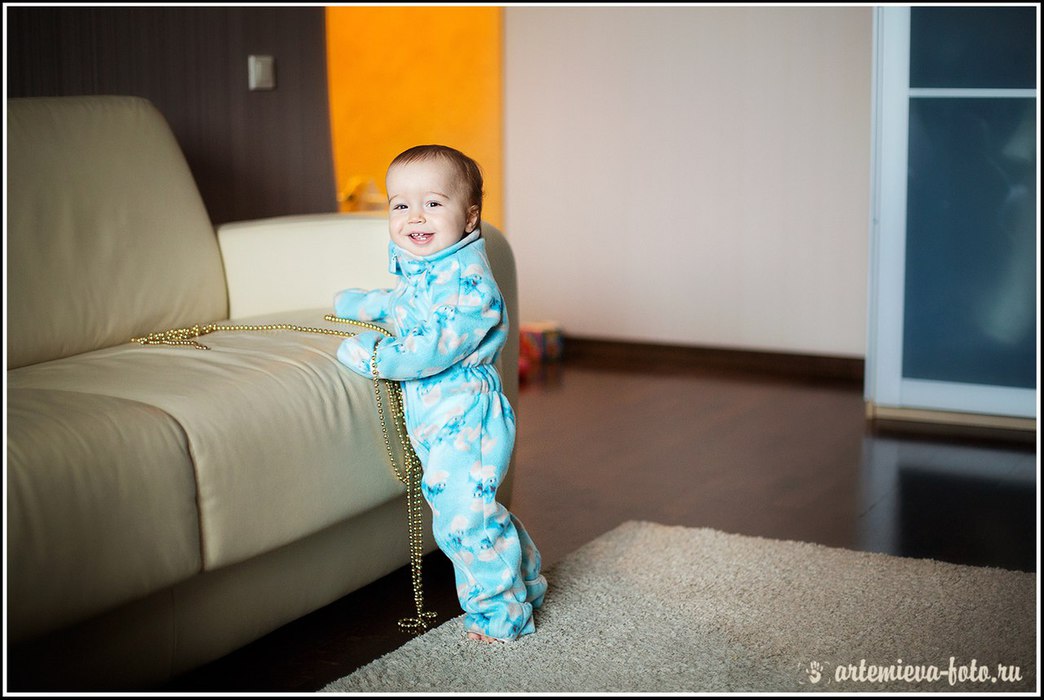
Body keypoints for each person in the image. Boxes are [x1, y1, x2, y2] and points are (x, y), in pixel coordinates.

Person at [332, 145, 547, 643]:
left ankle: (500, 615)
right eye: (400, 205)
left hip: (467, 414)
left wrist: (373, 356)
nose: (415, 216)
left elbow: (431, 346)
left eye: (432, 203)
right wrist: (363, 304)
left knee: (464, 522)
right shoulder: (428, 268)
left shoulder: (470, 284)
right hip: (435, 417)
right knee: (474, 510)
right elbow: (408, 305)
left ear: (469, 217)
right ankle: (527, 580)